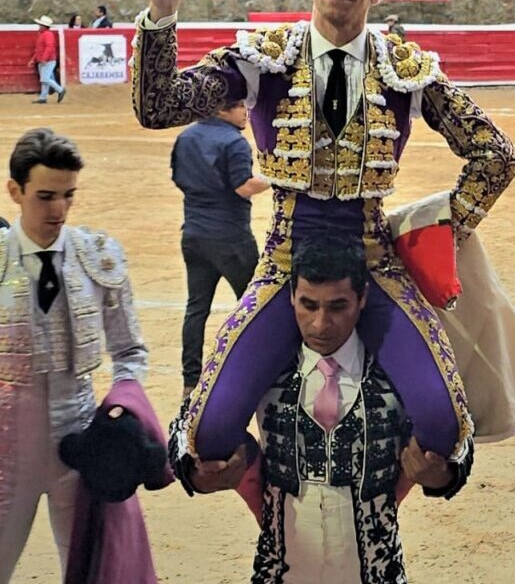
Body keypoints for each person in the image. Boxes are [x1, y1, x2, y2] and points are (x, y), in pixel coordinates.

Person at [132, 0, 515, 471]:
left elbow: (496, 154)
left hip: (375, 261)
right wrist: (163, 10)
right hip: (285, 262)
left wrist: (440, 231)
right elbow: (158, 106)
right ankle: (274, 504)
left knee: (442, 423)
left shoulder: (404, 69)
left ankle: (374, 500)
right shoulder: (265, 57)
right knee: (209, 431)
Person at [172, 236, 472, 582]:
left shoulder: (398, 367)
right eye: (308, 305)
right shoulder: (265, 365)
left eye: (337, 306)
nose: (320, 324)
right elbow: (188, 426)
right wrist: (198, 474)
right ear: (290, 299)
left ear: (362, 299)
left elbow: (457, 433)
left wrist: (443, 476)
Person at [0, 128, 149, 583]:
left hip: (80, 441)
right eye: (45, 196)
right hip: (4, 448)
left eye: (68, 195)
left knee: (90, 571)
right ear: (15, 191)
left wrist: (123, 403)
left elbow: (130, 350)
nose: (59, 210)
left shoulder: (96, 256)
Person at [171, 98, 268, 398]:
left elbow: (178, 179)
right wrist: (276, 179)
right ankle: (256, 371)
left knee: (196, 308)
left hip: (194, 235)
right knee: (255, 307)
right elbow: (243, 186)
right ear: (222, 110)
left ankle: (190, 381)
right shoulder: (234, 143)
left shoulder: (186, 136)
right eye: (239, 106)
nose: (246, 112)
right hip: (231, 239)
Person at [28, 15, 66, 105]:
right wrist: (33, 59)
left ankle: (60, 90)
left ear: (44, 26)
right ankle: (43, 97)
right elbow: (38, 50)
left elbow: (49, 47)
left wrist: (44, 58)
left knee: (45, 79)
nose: (39, 26)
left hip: (48, 61)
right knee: (44, 79)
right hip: (43, 60)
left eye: (40, 25)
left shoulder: (47, 35)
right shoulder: (44, 35)